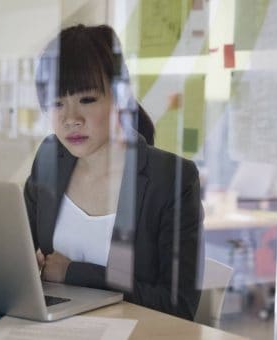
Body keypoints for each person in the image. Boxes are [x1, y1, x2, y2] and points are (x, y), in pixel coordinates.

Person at [24, 24, 203, 320]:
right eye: (56, 104)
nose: (70, 119)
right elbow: (18, 258)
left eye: (87, 100)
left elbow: (178, 305)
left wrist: (74, 272)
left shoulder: (171, 179)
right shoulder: (49, 160)